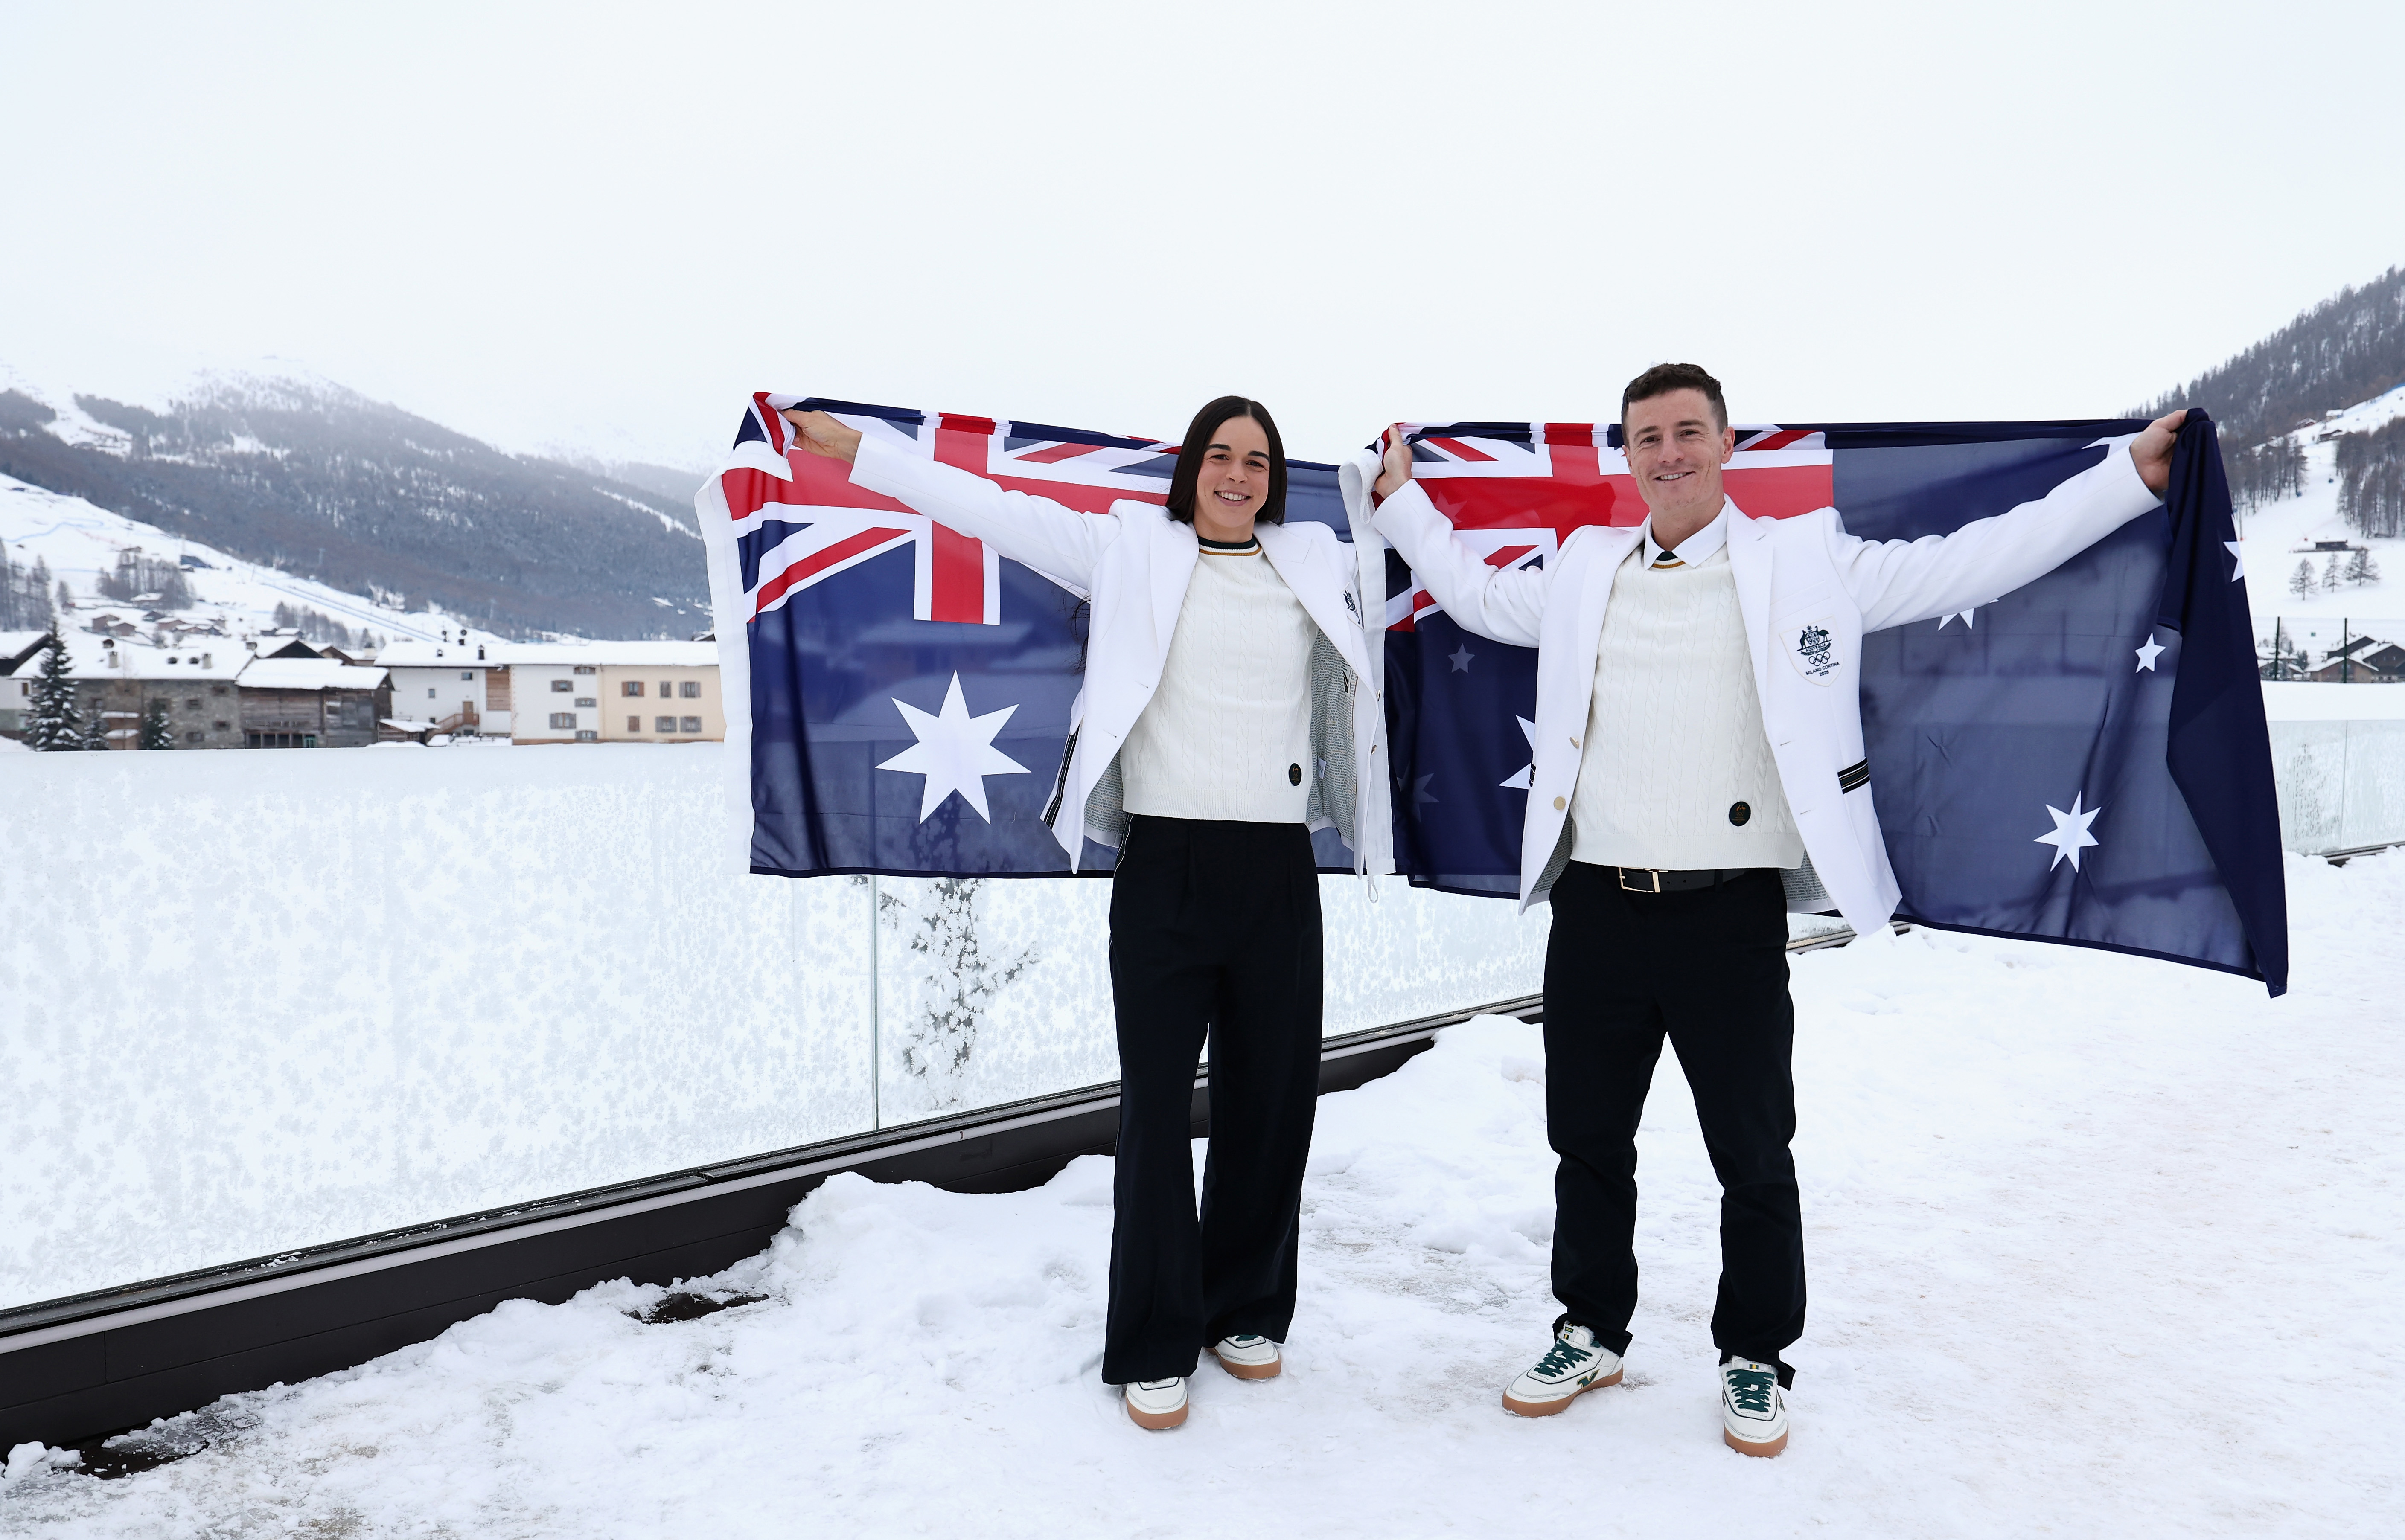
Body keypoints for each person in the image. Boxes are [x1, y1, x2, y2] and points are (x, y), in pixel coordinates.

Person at [1372, 366, 2181, 1456]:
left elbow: (1966, 562)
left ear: (1725, 444)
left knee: (1753, 1152)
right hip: (1597, 909)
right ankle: (1590, 1328)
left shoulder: (1803, 558)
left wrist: (2122, 482)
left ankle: (1755, 1354)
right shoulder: (1580, 567)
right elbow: (1470, 593)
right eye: (1647, 437)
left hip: (1729, 915)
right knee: (1588, 1144)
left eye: (1688, 432)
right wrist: (1398, 505)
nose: (1669, 453)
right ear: (1625, 454)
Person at [786, 397, 1385, 1432]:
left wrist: (1404, 496)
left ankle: (1245, 1307)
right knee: (1156, 1108)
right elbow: (989, 506)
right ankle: (1155, 1335)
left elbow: (1416, 560)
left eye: (1256, 461)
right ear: (1190, 467)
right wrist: (864, 454)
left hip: (1277, 863)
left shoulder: (1317, 558)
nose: (1237, 475)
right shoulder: (1126, 548)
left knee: (1272, 1097)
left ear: (1276, 479)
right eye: (1219, 456)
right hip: (1164, 863)